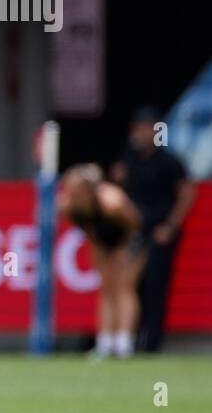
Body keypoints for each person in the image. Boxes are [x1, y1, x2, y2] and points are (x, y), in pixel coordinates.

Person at [112, 108, 196, 352]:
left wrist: (169, 226)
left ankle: (151, 343)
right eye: (138, 127)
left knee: (155, 286)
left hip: (158, 233)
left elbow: (187, 193)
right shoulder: (129, 159)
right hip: (134, 233)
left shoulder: (169, 161)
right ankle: (127, 339)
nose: (140, 132)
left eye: (146, 127)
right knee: (129, 285)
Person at [59, 164, 143, 358]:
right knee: (106, 288)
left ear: (88, 192)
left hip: (128, 238)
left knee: (124, 287)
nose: (70, 194)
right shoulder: (68, 204)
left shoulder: (112, 203)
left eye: (75, 191)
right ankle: (105, 343)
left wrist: (122, 251)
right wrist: (98, 244)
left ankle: (124, 343)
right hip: (102, 241)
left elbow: (134, 225)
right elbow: (83, 224)